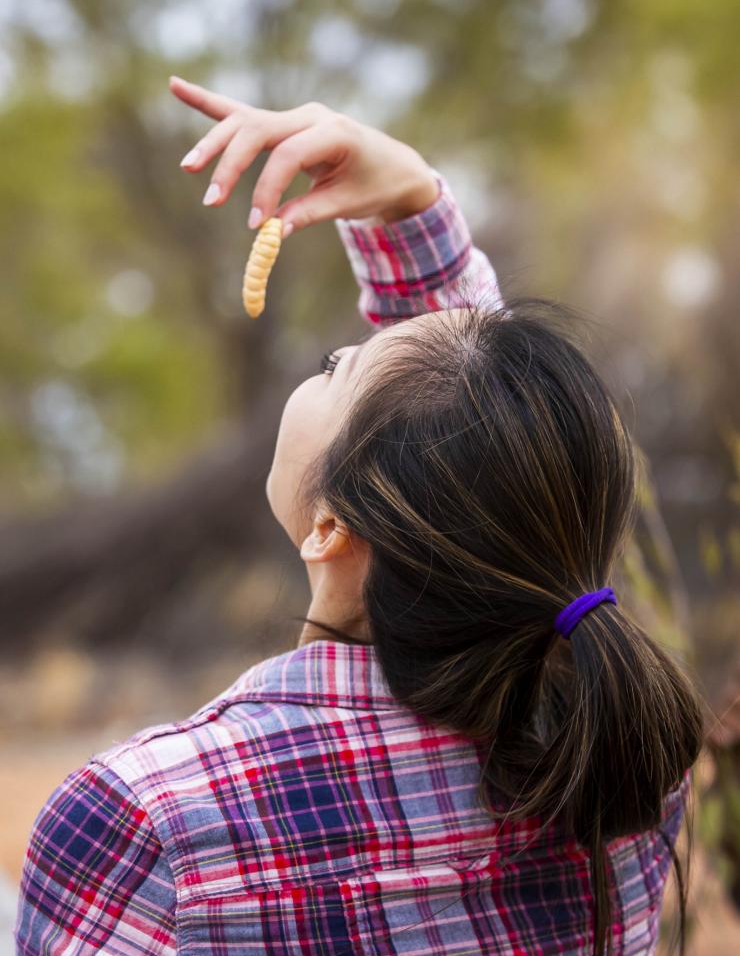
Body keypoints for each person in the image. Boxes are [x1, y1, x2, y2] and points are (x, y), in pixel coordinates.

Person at [14, 76, 704, 956]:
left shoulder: (152, 821)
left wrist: (413, 194)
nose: (336, 352)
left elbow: (471, 422)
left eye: (338, 364)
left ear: (331, 530)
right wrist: (414, 203)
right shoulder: (627, 765)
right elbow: (488, 438)